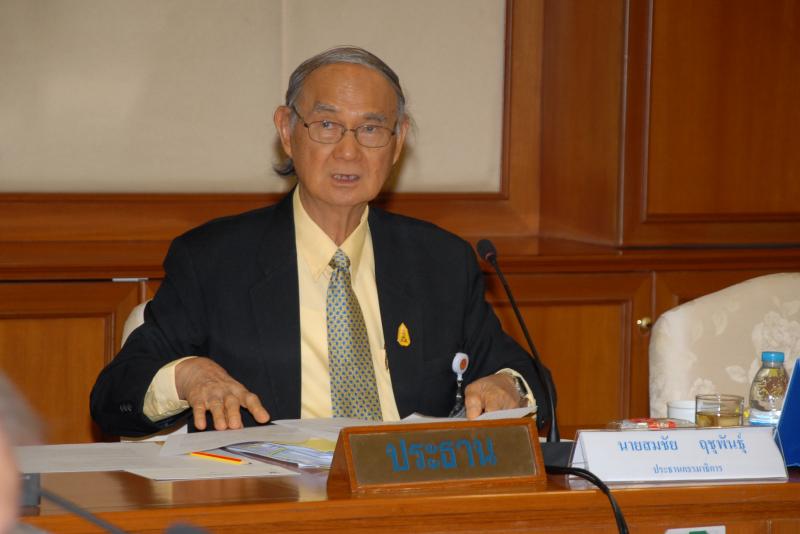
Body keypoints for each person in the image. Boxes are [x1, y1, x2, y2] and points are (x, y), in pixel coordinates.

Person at [90, 46, 552, 437]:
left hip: (409, 492)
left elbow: (529, 379)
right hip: (273, 496)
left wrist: (508, 387)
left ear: (397, 142)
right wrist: (188, 376)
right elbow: (113, 397)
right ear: (287, 132)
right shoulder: (215, 260)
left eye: (371, 129)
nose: (349, 151)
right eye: (327, 125)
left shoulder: (441, 262)